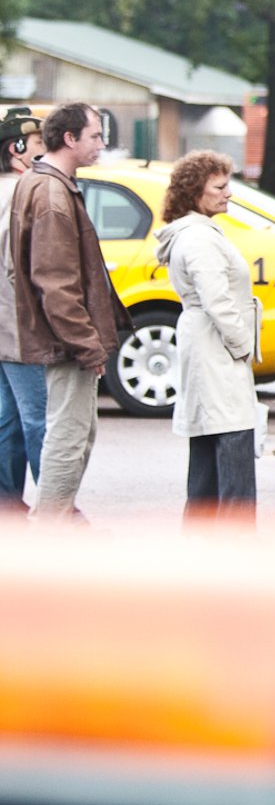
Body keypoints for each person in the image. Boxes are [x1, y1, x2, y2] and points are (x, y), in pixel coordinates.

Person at [14, 103, 116, 524]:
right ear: (69, 138)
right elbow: (55, 283)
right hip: (64, 343)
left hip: (52, 339)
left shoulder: (40, 182)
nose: (101, 144)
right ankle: (51, 531)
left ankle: (50, 522)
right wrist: (88, 346)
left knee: (70, 433)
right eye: (95, 136)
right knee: (69, 438)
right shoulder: (53, 193)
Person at [155, 151, 260, 523]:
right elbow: (218, 300)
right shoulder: (199, 239)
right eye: (219, 186)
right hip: (215, 349)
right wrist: (242, 345)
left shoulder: (196, 234)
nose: (228, 193)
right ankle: (235, 540)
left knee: (206, 444)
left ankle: (202, 541)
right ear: (194, 192)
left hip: (206, 346)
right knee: (232, 442)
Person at [0, 107, 45, 515]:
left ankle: (7, 503)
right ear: (16, 150)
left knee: (8, 417)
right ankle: (56, 508)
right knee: (38, 416)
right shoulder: (21, 193)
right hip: (18, 322)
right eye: (37, 145)